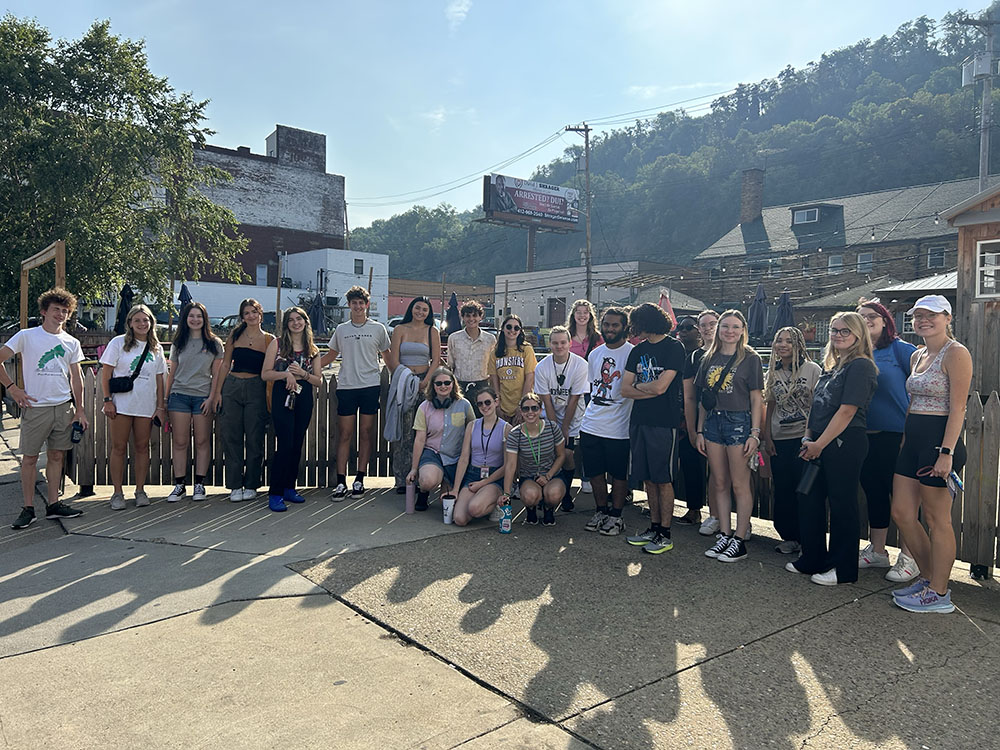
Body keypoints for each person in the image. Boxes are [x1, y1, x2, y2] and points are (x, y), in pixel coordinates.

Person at [891, 295, 972, 614]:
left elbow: (959, 407)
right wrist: (905, 442)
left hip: (939, 444)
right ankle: (928, 578)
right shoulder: (917, 355)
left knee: (938, 520)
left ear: (947, 318)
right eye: (918, 316)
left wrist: (947, 452)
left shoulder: (956, 353)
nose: (923, 320)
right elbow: (912, 403)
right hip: (913, 443)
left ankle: (940, 593)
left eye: (931, 315)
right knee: (901, 513)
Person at [790, 312, 877, 585]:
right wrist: (808, 438)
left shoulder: (860, 366)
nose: (838, 335)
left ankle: (843, 569)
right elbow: (817, 407)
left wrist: (820, 444)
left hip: (844, 442)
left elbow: (848, 410)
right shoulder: (833, 366)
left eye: (845, 331)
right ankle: (813, 558)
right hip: (818, 441)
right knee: (810, 499)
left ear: (858, 335)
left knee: (842, 505)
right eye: (834, 330)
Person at [2, 288, 87, 529]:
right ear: (44, 312)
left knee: (57, 455)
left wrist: (79, 409)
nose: (60, 314)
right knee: (29, 459)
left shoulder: (71, 342)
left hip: (62, 407)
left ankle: (53, 504)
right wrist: (13, 388)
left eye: (65, 311)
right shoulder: (26, 336)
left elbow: (76, 377)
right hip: (35, 407)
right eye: (56, 310)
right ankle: (28, 508)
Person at [855, 298, 920, 582]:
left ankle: (910, 556)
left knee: (904, 499)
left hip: (898, 437)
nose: (867, 320)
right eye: (861, 317)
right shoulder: (855, 353)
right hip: (864, 436)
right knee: (874, 493)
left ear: (885, 321)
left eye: (872, 316)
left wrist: (912, 433)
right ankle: (878, 551)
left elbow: (920, 392)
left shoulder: (901, 350)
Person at [695, 310, 764, 563]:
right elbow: (704, 399)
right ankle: (724, 533)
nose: (730, 331)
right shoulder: (708, 357)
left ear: (743, 330)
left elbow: (757, 398)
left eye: (735, 327)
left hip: (739, 421)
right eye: (725, 326)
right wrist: (700, 430)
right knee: (720, 482)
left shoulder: (751, 358)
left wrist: (755, 433)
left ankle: (739, 536)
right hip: (713, 421)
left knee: (739, 483)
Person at [621, 304, 687, 553]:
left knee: (663, 478)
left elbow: (662, 388)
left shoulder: (674, 347)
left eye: (637, 323)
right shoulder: (638, 350)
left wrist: (640, 387)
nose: (634, 328)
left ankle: (665, 533)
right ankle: (654, 526)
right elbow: (624, 390)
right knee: (648, 477)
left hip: (664, 423)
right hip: (640, 420)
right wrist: (645, 388)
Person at [322, 285, 392, 500]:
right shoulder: (341, 330)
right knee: (344, 434)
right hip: (346, 387)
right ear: (349, 305)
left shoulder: (379, 328)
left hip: (370, 386)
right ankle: (341, 482)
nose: (358, 306)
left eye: (361, 303)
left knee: (366, 433)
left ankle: (360, 479)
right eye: (354, 303)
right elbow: (329, 357)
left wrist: (400, 376)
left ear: (367, 304)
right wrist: (307, 369)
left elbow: (388, 358)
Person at [97, 304, 168, 509]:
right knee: (118, 447)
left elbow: (160, 380)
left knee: (142, 447)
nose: (142, 324)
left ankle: (140, 490)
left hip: (146, 405)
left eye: (145, 320)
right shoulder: (118, 343)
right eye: (137, 320)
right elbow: (106, 373)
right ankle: (117, 493)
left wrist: (160, 407)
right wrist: (107, 400)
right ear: (130, 323)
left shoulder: (156, 347)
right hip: (121, 405)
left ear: (151, 322)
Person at [761, 326, 821, 555]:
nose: (783, 345)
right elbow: (771, 404)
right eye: (779, 340)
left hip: (803, 437)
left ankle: (808, 539)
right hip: (779, 437)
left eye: (788, 341)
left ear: (798, 345)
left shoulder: (812, 369)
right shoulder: (773, 372)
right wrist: (767, 437)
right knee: (783, 489)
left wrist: (812, 436)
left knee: (805, 490)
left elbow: (818, 405)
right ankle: (789, 536)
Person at [261, 306, 323, 512]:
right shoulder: (277, 345)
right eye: (291, 320)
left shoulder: (312, 349)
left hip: (303, 395)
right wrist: (285, 375)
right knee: (285, 443)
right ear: (286, 324)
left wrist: (302, 375)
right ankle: (276, 493)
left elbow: (318, 380)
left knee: (297, 443)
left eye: (300, 319)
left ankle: (289, 487)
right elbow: (266, 374)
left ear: (305, 322)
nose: (296, 323)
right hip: (282, 393)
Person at [212, 299, 274, 503]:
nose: (250, 316)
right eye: (246, 313)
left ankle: (252, 483)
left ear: (260, 314)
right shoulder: (235, 335)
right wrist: (218, 392)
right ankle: (235, 484)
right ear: (242, 316)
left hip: (256, 387)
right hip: (232, 387)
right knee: (232, 437)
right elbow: (224, 365)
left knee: (255, 437)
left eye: (254, 312)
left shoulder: (269, 340)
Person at [579, 307, 634, 535]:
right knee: (595, 473)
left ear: (624, 327)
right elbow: (592, 387)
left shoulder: (633, 353)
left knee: (618, 474)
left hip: (619, 426)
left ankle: (616, 515)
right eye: (607, 324)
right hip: (591, 423)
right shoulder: (594, 354)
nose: (610, 329)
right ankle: (601, 510)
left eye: (615, 325)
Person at [165, 301, 223, 503]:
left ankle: (199, 484)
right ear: (186, 319)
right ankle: (180, 484)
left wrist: (212, 397)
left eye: (199, 316)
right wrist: (166, 398)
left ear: (204, 319)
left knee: (202, 441)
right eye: (192, 316)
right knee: (180, 442)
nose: (195, 319)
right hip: (179, 395)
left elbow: (217, 374)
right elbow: (172, 372)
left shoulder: (214, 343)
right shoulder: (178, 342)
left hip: (202, 397)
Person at [533, 325, 588, 512]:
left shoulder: (581, 365)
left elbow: (574, 398)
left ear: (569, 343)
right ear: (550, 344)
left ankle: (565, 493)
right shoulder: (542, 367)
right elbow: (546, 400)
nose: (559, 346)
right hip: (549, 417)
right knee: (548, 455)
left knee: (567, 455)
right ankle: (546, 492)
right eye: (555, 343)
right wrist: (555, 428)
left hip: (572, 418)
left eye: (563, 342)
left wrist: (565, 427)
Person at [389, 297, 441, 492]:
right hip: (403, 382)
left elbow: (436, 360)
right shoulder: (400, 329)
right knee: (404, 432)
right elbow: (394, 360)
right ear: (411, 309)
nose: (420, 312)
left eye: (425, 309)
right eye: (417, 308)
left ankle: (421, 476)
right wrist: (407, 379)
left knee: (424, 432)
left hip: (425, 383)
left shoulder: (432, 331)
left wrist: (426, 381)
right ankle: (402, 479)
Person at [407, 367, 475, 511]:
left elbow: (473, 432)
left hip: (455, 457)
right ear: (433, 386)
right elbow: (419, 439)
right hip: (433, 453)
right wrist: (414, 469)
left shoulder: (464, 405)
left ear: (453, 384)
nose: (443, 386)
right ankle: (424, 492)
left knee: (452, 502)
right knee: (427, 481)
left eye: (446, 382)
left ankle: (446, 481)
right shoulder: (424, 407)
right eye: (438, 383)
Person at [501, 392, 566, 526]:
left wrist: (548, 476)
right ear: (521, 411)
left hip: (552, 474)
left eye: (534, 408)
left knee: (553, 494)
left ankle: (548, 509)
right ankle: (531, 510)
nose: (530, 412)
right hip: (529, 476)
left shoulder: (552, 427)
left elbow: (561, 455)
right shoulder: (515, 434)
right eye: (526, 409)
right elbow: (511, 465)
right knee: (530, 496)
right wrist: (506, 493)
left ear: (540, 410)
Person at [682, 310, 719, 531]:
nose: (707, 329)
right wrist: (692, 426)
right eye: (703, 325)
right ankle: (695, 509)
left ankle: (722, 517)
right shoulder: (694, 357)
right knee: (692, 466)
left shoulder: (736, 353)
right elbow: (689, 396)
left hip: (727, 421)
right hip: (697, 418)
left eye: (712, 324)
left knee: (721, 473)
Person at [452, 386, 509, 526]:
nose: (484, 406)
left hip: (494, 476)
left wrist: (483, 483)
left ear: (496, 402)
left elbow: (508, 465)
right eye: (480, 403)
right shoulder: (472, 426)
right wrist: (455, 489)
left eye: (488, 402)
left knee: (474, 508)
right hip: (473, 474)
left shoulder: (506, 428)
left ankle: (494, 504)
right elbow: (464, 458)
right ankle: (481, 500)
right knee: (459, 519)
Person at [675, 315, 707, 526]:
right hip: (674, 415)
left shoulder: (703, 356)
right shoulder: (675, 352)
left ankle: (695, 510)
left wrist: (690, 421)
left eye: (689, 327)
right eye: (680, 327)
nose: (683, 331)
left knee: (694, 465)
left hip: (696, 418)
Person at [447, 299, 497, 418]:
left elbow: (493, 366)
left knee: (481, 421)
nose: (471, 319)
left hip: (483, 385)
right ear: (463, 317)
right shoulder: (454, 338)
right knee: (459, 421)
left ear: (481, 317)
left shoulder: (490, 340)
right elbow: (450, 365)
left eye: (475, 315)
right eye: (467, 316)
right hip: (459, 386)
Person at [489, 314, 537, 423]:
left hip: (522, 406)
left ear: (520, 331)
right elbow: (494, 381)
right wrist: (497, 407)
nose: (512, 330)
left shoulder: (527, 350)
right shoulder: (495, 353)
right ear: (503, 329)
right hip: (503, 408)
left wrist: (522, 406)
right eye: (509, 327)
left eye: (516, 328)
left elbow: (529, 379)